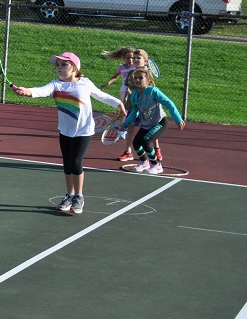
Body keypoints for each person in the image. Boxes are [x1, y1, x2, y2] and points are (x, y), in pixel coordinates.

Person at [15, 52, 126, 215]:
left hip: (84, 131)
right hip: (65, 131)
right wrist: (26, 91)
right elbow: (40, 91)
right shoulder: (56, 85)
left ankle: (79, 197)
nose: (59, 68)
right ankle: (69, 195)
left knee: (75, 162)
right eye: (57, 65)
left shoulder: (85, 83)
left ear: (74, 68)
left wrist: (118, 103)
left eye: (64, 65)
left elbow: (101, 96)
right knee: (67, 164)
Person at [120, 67, 184, 174]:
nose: (137, 80)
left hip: (159, 123)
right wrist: (125, 124)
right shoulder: (134, 95)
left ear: (148, 80)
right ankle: (144, 162)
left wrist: (177, 119)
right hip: (146, 124)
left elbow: (169, 104)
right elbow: (134, 112)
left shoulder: (153, 91)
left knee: (146, 142)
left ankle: (156, 165)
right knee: (136, 142)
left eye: (140, 78)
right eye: (135, 78)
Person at [100, 46, 136, 161]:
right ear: (123, 58)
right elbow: (115, 77)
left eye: (131, 57)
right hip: (124, 90)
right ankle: (123, 130)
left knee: (133, 111)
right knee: (124, 110)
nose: (130, 60)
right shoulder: (121, 67)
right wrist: (107, 83)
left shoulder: (136, 66)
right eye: (127, 58)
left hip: (134, 90)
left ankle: (128, 128)